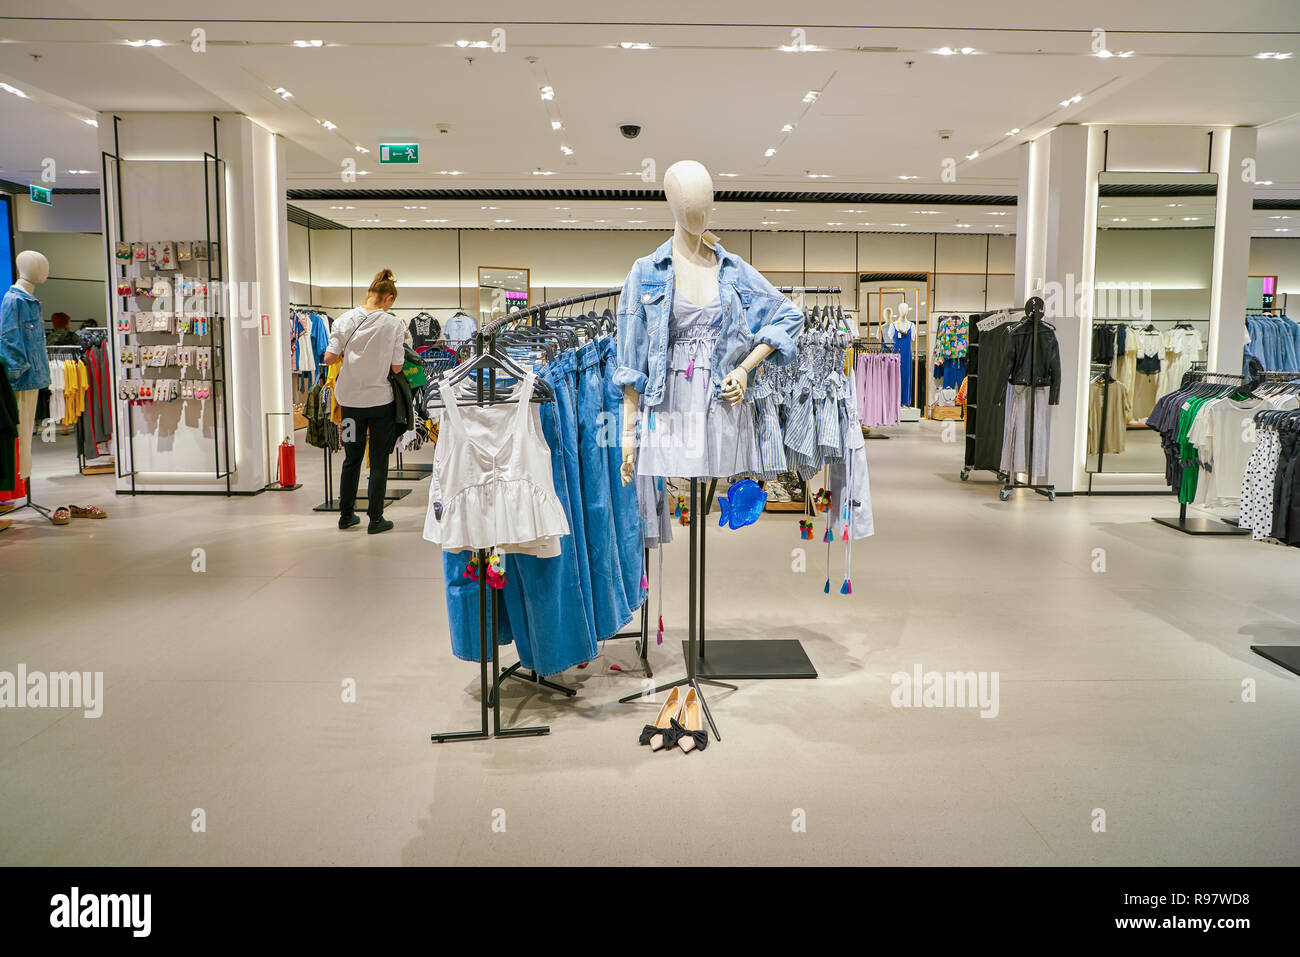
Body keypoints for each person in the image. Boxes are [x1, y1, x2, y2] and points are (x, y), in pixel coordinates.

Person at [322, 269, 405, 534]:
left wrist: (347, 352)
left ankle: (346, 515)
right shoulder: (393, 324)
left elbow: (328, 358)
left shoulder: (344, 320)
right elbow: (396, 367)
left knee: (351, 458)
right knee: (379, 460)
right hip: (381, 403)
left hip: (349, 403)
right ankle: (376, 519)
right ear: (388, 299)